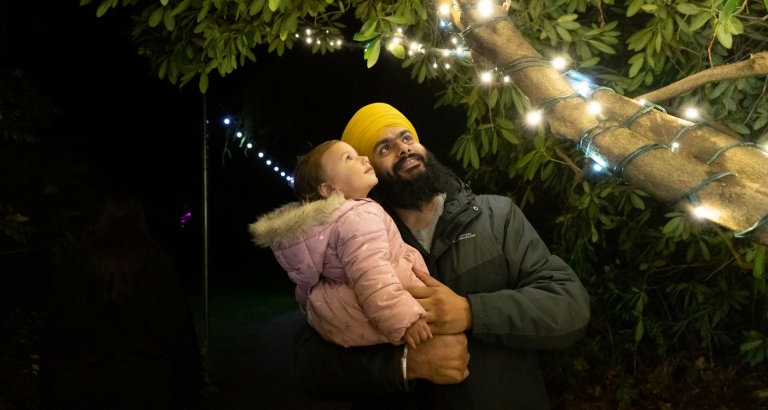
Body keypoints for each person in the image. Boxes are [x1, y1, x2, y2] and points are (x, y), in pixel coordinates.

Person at [292, 102, 591, 409]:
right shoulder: (350, 244)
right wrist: (407, 365)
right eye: (385, 148)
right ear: (366, 170)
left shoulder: (497, 216)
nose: (403, 149)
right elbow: (310, 364)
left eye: (407, 138)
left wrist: (471, 312)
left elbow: (569, 306)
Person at [249, 140, 433, 348]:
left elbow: (306, 285)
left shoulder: (326, 228)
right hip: (390, 314)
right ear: (328, 189)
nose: (363, 158)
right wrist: (405, 319)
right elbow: (371, 274)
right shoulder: (359, 216)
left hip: (346, 320)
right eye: (349, 158)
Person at [40, 190, 204, 410]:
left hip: (83, 387)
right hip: (146, 388)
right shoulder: (156, 262)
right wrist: (190, 391)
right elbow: (179, 332)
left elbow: (53, 332)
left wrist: (48, 389)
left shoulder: (75, 263)